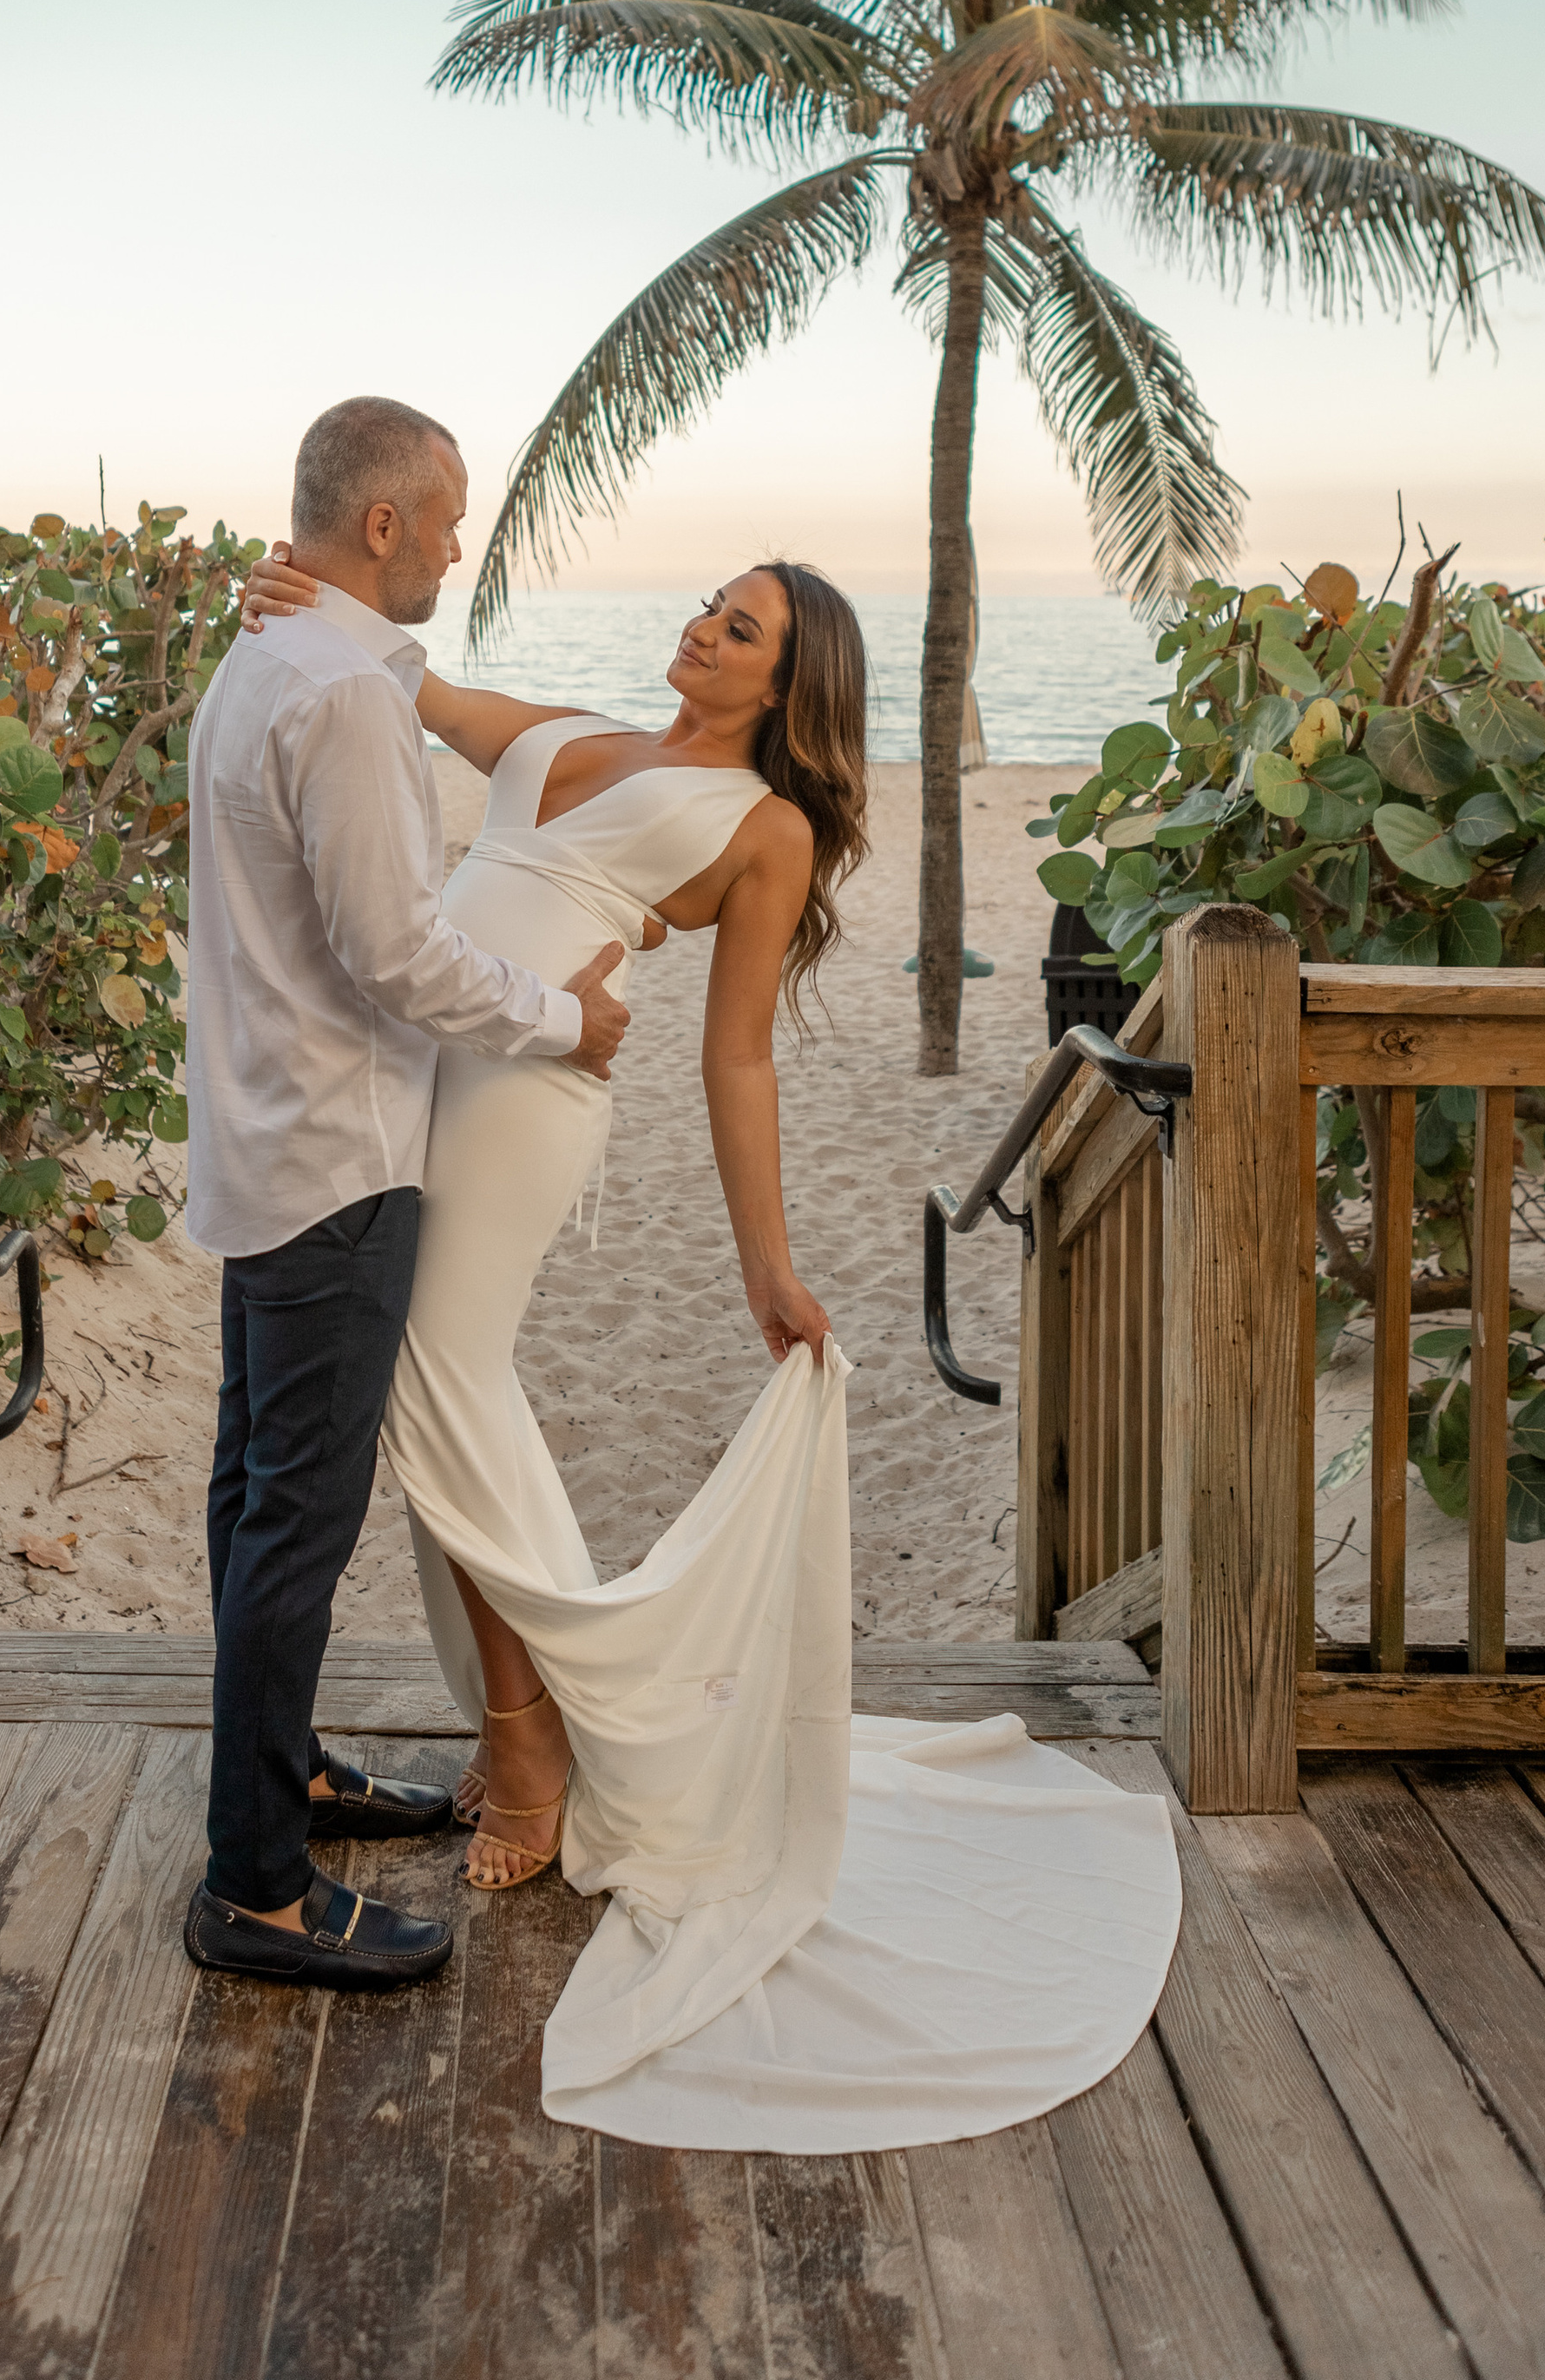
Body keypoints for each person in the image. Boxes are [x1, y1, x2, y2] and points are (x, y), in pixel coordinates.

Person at [236, 538, 1184, 2153]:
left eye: (738, 626)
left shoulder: (767, 828)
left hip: (528, 1097)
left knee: (435, 1384)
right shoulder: (561, 732)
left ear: (787, 679)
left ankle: (531, 1740)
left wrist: (769, 1263)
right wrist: (312, 590)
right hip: (415, 1067)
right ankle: (524, 1720)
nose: (702, 628)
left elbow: (735, 1060)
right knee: (429, 1396)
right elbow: (410, 686)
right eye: (705, 605)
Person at [181, 394, 632, 1996]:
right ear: (380, 526)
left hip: (262, 1135)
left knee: (254, 1494)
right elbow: (398, 955)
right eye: (445, 518)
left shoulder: (272, 657)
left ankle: (283, 1777)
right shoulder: (345, 696)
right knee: (296, 1517)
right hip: (337, 1158)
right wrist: (564, 1016)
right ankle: (257, 1890)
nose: (457, 541)